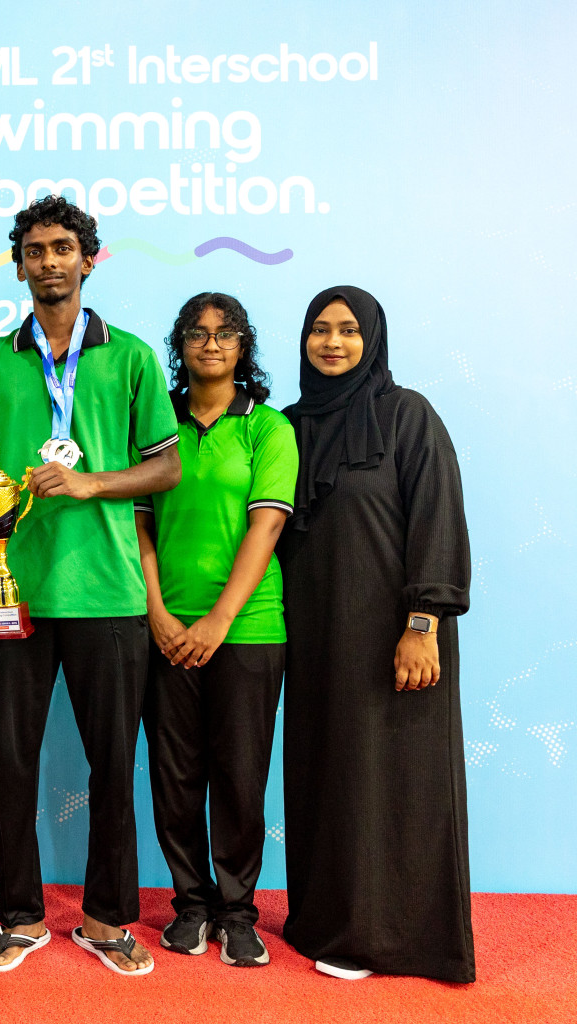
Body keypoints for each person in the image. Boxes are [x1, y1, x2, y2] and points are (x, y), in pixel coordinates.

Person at [0, 196, 180, 974]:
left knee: (112, 765)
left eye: (63, 248)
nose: (49, 261)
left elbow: (166, 468)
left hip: (109, 592)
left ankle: (106, 920)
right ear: (18, 267)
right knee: (13, 764)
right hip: (18, 591)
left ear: (89, 259)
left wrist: (90, 483)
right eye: (35, 250)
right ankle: (20, 916)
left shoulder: (131, 357)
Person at [278, 286, 474, 983]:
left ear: (373, 339)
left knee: (395, 782)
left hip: (393, 637)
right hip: (312, 637)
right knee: (326, 776)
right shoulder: (287, 425)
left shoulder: (406, 415)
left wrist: (423, 624)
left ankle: (393, 939)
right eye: (319, 329)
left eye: (349, 330)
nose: (332, 342)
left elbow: (438, 518)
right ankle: (327, 923)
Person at [132, 293, 296, 968]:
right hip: (166, 630)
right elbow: (139, 524)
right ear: (180, 345)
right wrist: (158, 613)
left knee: (239, 777)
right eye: (196, 334)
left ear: (243, 345)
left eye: (225, 333)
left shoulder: (268, 428)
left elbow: (267, 526)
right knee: (175, 777)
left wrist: (218, 621)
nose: (210, 344)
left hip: (248, 630)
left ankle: (237, 914)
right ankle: (191, 906)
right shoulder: (156, 424)